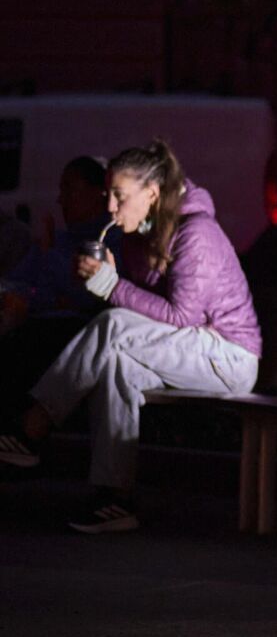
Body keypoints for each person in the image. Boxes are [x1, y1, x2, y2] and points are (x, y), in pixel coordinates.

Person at [0, 141, 260, 534]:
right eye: (109, 196)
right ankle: (114, 499)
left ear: (152, 194)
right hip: (186, 349)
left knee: (115, 323)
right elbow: (146, 308)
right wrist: (108, 277)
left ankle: (33, 424)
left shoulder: (197, 233)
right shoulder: (138, 234)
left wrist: (114, 287)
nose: (110, 208)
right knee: (117, 367)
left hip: (228, 357)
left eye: (119, 197)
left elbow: (181, 316)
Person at [0, 157, 120, 427]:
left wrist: (42, 296)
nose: (60, 199)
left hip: (71, 333)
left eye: (68, 190)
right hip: (32, 320)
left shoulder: (109, 242)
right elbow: (22, 278)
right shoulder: (62, 239)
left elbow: (89, 298)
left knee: (23, 347)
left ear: (96, 194)